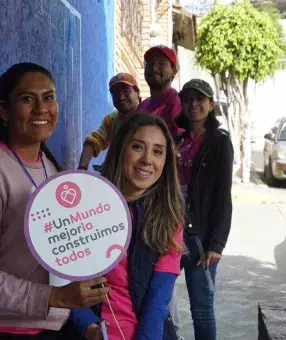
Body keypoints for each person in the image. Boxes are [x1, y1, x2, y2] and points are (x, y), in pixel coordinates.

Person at [0, 62, 110, 339]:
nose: (41, 108)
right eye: (27, 98)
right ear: (4, 110)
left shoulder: (51, 168)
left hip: (54, 326)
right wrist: (54, 297)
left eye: (48, 97)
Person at [71, 114, 184, 340]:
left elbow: (159, 299)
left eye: (158, 151)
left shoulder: (168, 217)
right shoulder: (85, 208)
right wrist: (88, 326)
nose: (147, 159)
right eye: (137, 146)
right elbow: (64, 282)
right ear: (121, 149)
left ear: (166, 161)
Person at [175, 79, 234, 340]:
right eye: (187, 99)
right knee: (155, 301)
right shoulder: (177, 141)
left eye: (200, 99)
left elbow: (223, 195)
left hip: (200, 238)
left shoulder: (219, 142)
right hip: (171, 232)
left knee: (201, 310)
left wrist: (217, 244)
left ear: (211, 104)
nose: (193, 104)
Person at [78, 73, 141, 170]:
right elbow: (93, 142)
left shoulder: (150, 116)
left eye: (126, 91)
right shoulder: (112, 120)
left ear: (137, 92)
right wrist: (82, 168)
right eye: (115, 93)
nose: (121, 97)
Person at [138, 45, 182, 137]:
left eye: (161, 64)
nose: (154, 69)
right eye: (149, 64)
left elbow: (177, 146)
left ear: (173, 70)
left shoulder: (176, 103)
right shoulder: (142, 106)